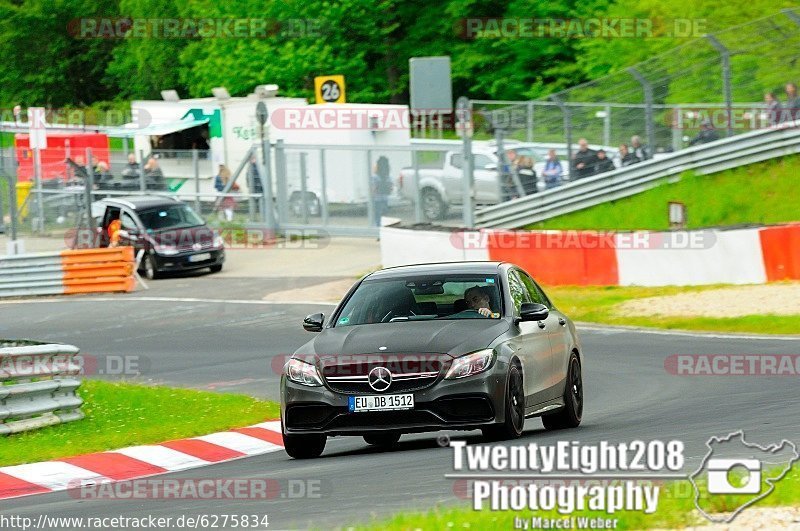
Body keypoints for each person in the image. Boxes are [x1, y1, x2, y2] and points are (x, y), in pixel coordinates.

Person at [371, 156, 392, 227]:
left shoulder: (375, 177)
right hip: (385, 198)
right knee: (383, 216)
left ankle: (376, 229)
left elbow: (373, 189)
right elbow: (391, 187)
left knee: (376, 217)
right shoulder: (388, 176)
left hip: (377, 199)